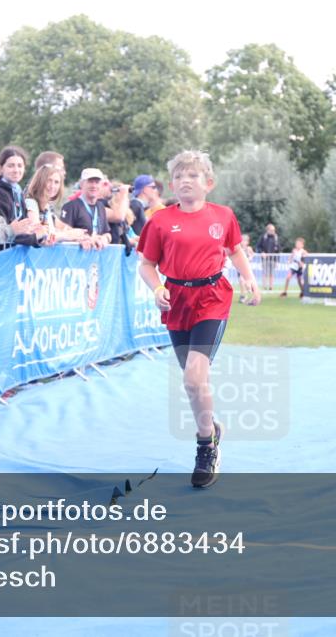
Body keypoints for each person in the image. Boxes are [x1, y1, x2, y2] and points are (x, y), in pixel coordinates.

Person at [137, 150, 260, 488]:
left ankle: (206, 446)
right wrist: (156, 286)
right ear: (172, 185)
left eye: (192, 175)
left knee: (193, 378)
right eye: (178, 177)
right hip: (176, 301)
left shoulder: (223, 215)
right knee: (195, 384)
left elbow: (235, 250)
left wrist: (247, 277)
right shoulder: (159, 220)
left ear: (208, 183)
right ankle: (211, 427)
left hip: (212, 298)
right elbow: (146, 264)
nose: (185, 181)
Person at [22, 163, 87, 245]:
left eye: (56, 182)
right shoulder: (30, 202)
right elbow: (39, 234)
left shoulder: (47, 207)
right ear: (40, 181)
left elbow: (61, 228)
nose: (52, 186)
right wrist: (67, 235)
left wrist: (82, 236)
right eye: (49, 180)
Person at [60, 168, 113, 250]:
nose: (94, 186)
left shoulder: (100, 206)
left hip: (97, 257)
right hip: (76, 258)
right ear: (81, 184)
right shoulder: (70, 206)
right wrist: (81, 239)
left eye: (97, 182)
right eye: (90, 182)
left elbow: (107, 233)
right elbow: (64, 234)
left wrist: (105, 239)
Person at [0, 145, 28, 222]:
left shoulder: (17, 190)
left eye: (20, 166)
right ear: (0, 168)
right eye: (11, 166)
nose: (16, 170)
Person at [255, 224, 281, 290]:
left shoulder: (276, 238)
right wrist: (262, 252)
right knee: (265, 273)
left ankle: (271, 287)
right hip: (265, 259)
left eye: (274, 230)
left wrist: (277, 261)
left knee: (272, 274)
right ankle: (264, 287)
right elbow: (258, 247)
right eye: (272, 230)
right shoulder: (263, 237)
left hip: (273, 259)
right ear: (267, 230)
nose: (273, 231)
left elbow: (278, 250)